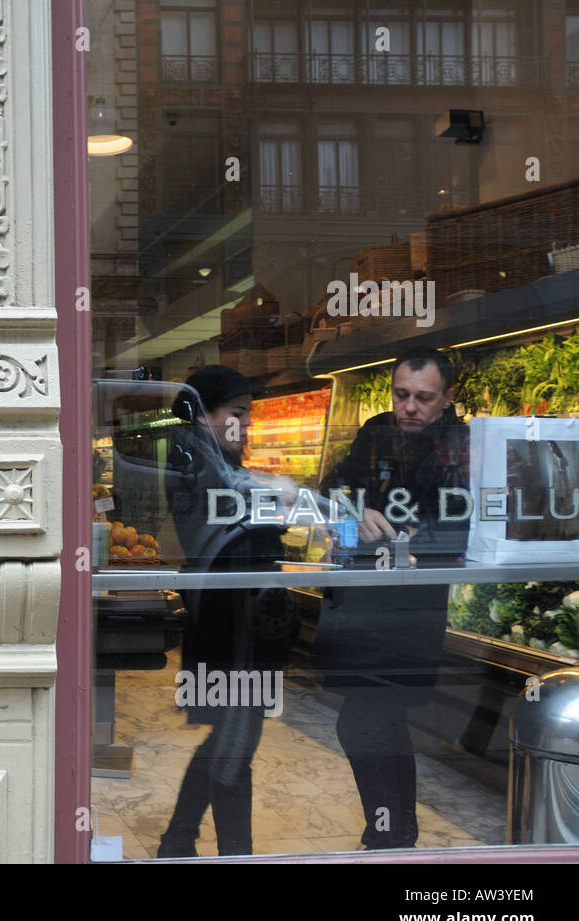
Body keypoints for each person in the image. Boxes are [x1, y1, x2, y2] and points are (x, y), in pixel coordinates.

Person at [317, 346, 470, 850]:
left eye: (423, 399)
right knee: (381, 722)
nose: (410, 407)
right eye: (402, 394)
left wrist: (405, 540)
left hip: (412, 609)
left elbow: (465, 525)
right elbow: (328, 491)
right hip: (362, 601)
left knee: (361, 723)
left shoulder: (462, 447)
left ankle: (386, 835)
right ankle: (396, 833)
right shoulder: (375, 431)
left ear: (446, 399)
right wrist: (350, 513)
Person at [157, 366, 298, 857]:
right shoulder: (194, 460)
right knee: (235, 745)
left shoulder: (205, 459)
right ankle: (236, 852)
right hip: (233, 628)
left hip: (241, 623)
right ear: (201, 417)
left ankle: (178, 840)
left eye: (248, 416)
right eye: (237, 414)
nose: (246, 426)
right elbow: (238, 490)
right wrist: (291, 492)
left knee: (229, 737)